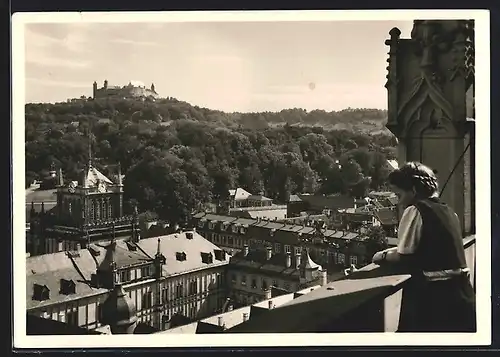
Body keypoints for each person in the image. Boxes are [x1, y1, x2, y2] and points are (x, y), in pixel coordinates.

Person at [371, 161, 476, 332]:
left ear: (413, 190)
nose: (399, 202)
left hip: (435, 301)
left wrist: (381, 256)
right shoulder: (450, 212)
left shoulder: (415, 210)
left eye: (399, 195)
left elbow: (404, 255)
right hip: (462, 294)